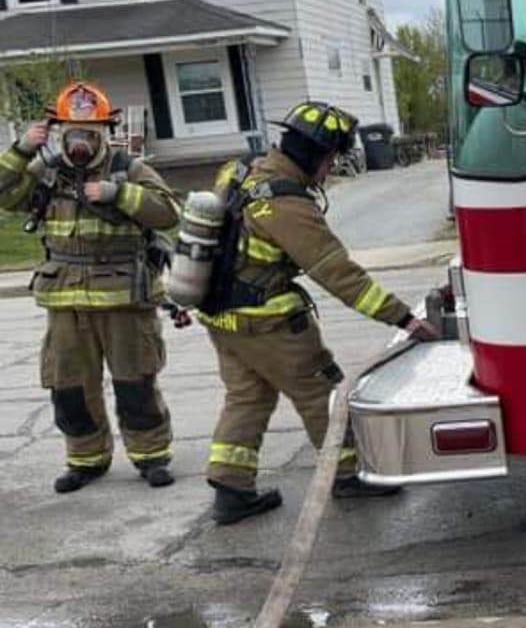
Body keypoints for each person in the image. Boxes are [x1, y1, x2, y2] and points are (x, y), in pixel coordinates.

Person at [198, 100, 437, 525]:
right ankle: (348, 474)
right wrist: (403, 318)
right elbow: (338, 274)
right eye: (329, 159)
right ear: (312, 153)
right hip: (268, 322)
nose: (329, 170)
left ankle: (230, 489)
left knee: (247, 397)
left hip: (223, 318)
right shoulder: (286, 204)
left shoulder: (241, 173)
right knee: (322, 394)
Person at [0, 82, 180, 493]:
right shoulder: (43, 172)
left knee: (135, 382)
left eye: (89, 132)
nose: (79, 141)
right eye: (70, 132)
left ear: (104, 132)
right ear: (59, 132)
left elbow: (169, 212)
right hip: (65, 301)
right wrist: (21, 150)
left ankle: (151, 456)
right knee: (69, 386)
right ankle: (86, 459)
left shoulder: (128, 169)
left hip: (123, 298)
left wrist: (120, 195)